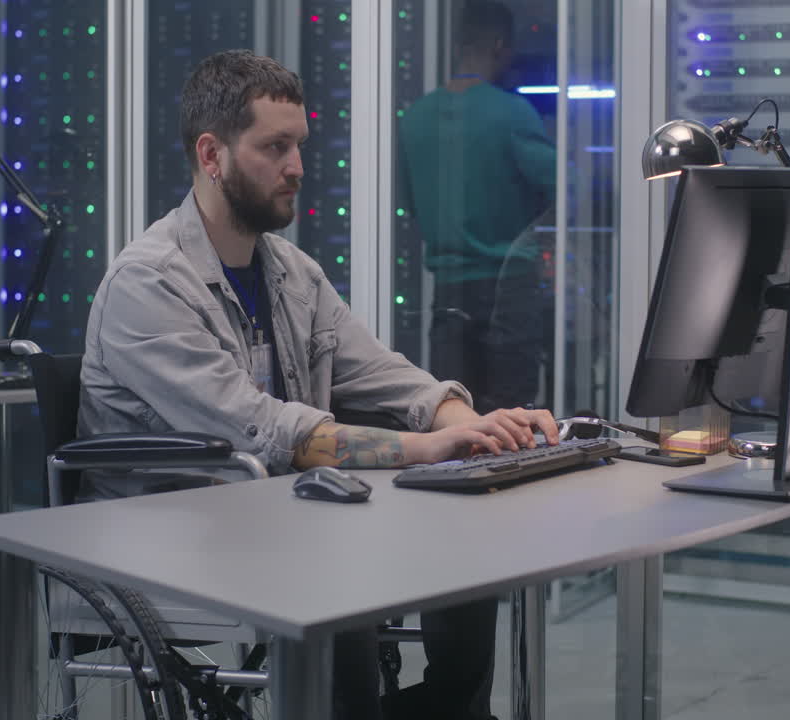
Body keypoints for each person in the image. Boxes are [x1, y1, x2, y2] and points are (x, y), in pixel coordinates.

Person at [78, 50, 559, 719]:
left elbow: (377, 370)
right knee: (338, 573)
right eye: (275, 148)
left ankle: (454, 710)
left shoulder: (290, 271)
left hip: (270, 516)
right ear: (212, 155)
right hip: (166, 535)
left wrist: (459, 422)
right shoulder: (149, 283)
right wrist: (419, 449)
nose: (297, 168)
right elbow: (261, 427)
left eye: (299, 146)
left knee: (466, 527)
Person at [399, 1, 556, 413]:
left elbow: (411, 206)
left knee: (454, 418)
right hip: (510, 289)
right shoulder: (513, 113)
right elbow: (564, 193)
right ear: (501, 44)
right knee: (513, 421)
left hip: (448, 295)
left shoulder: (415, 117)